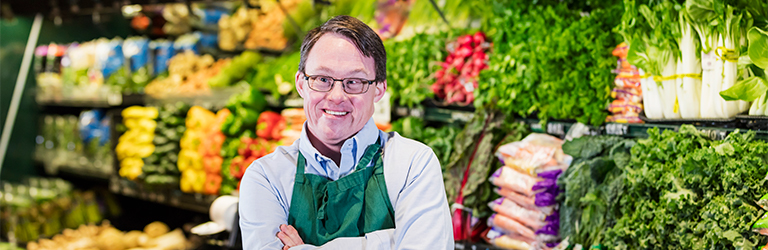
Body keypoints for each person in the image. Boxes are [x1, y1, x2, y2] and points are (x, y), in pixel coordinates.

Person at [238, 15, 454, 249]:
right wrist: (388, 241)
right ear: (300, 83)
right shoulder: (265, 178)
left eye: (354, 81)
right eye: (322, 79)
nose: (337, 96)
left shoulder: (413, 164)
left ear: (379, 89)